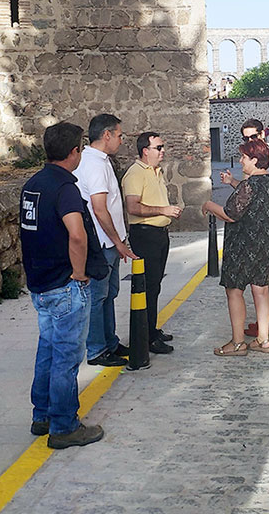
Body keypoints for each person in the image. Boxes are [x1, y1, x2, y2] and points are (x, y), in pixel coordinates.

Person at [19, 121, 105, 449]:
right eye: (80, 148)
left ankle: (41, 415)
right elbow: (77, 234)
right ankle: (64, 425)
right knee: (67, 357)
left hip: (40, 283)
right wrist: (80, 273)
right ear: (74, 152)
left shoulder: (33, 184)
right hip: (64, 284)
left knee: (47, 350)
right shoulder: (65, 188)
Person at [203, 138, 269, 356]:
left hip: (244, 245)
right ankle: (263, 340)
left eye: (244, 157)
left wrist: (208, 205)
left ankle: (238, 343)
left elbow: (231, 214)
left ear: (255, 160)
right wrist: (233, 182)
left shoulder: (250, 185)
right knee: (261, 288)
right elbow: (251, 196)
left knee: (234, 290)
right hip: (267, 243)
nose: (241, 161)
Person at [220, 119, 269, 338]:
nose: (250, 140)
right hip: (249, 224)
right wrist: (233, 181)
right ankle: (263, 327)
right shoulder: (250, 155)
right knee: (258, 276)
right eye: (246, 138)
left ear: (263, 134)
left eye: (253, 136)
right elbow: (248, 193)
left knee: (266, 273)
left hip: (265, 223)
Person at [74, 114, 138, 367]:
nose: (122, 140)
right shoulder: (95, 164)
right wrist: (118, 242)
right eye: (120, 135)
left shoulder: (99, 160)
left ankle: (110, 341)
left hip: (109, 242)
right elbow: (99, 208)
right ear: (107, 135)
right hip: (102, 243)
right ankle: (97, 349)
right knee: (98, 297)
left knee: (109, 294)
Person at [122, 131, 181, 355]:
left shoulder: (156, 171)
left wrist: (167, 213)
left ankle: (151, 330)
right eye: (158, 147)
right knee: (147, 287)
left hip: (158, 235)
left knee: (154, 286)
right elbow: (133, 207)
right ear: (145, 151)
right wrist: (163, 210)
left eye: (162, 146)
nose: (162, 150)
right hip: (145, 235)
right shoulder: (136, 174)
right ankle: (145, 338)